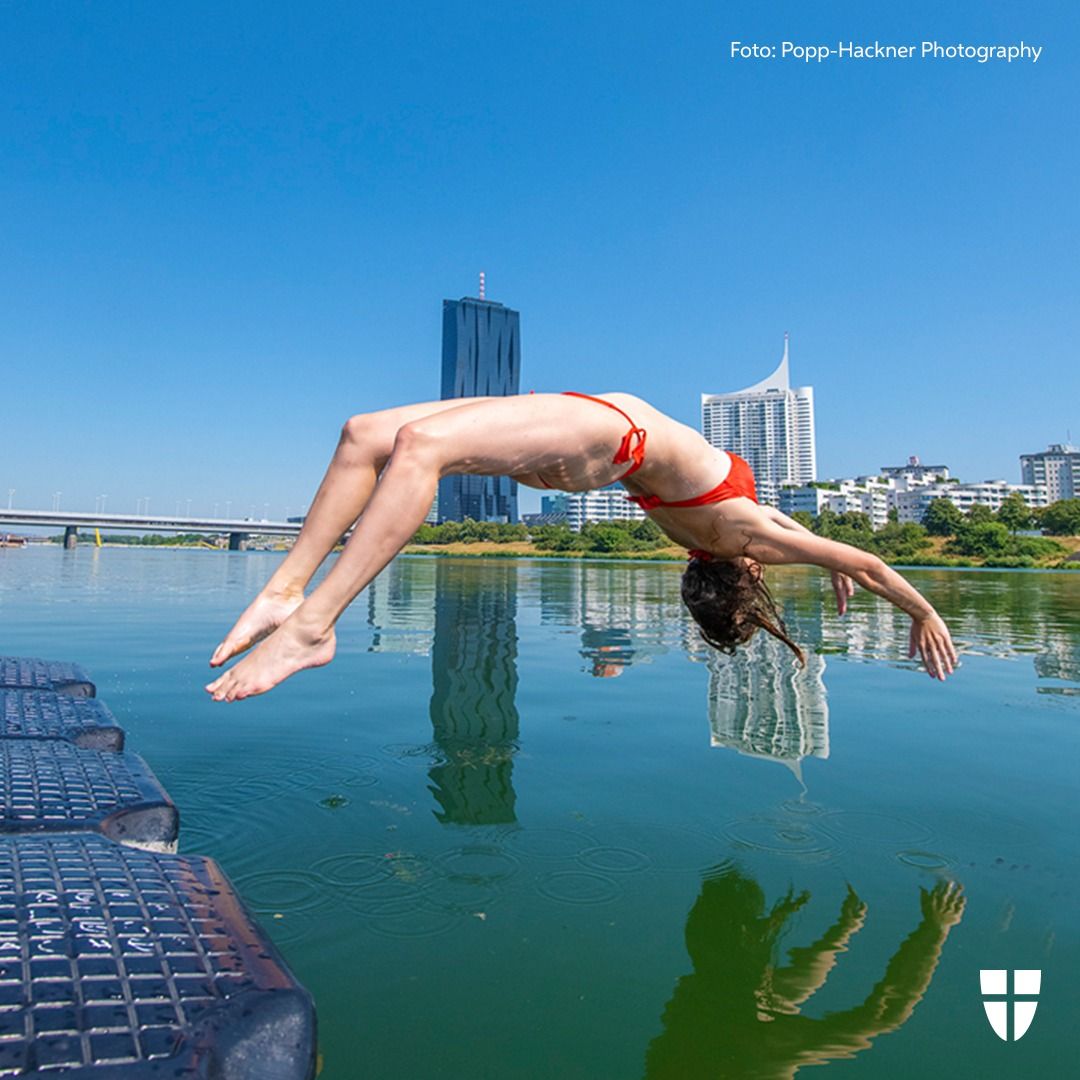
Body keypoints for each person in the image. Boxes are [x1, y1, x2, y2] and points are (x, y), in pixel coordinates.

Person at [206, 392, 958, 701]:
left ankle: (315, 626)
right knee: (365, 433)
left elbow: (868, 562)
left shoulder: (736, 533)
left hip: (604, 433)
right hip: (592, 425)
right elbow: (824, 548)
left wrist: (920, 611)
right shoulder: (730, 534)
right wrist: (829, 562)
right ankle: (284, 590)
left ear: (744, 570)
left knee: (418, 447)